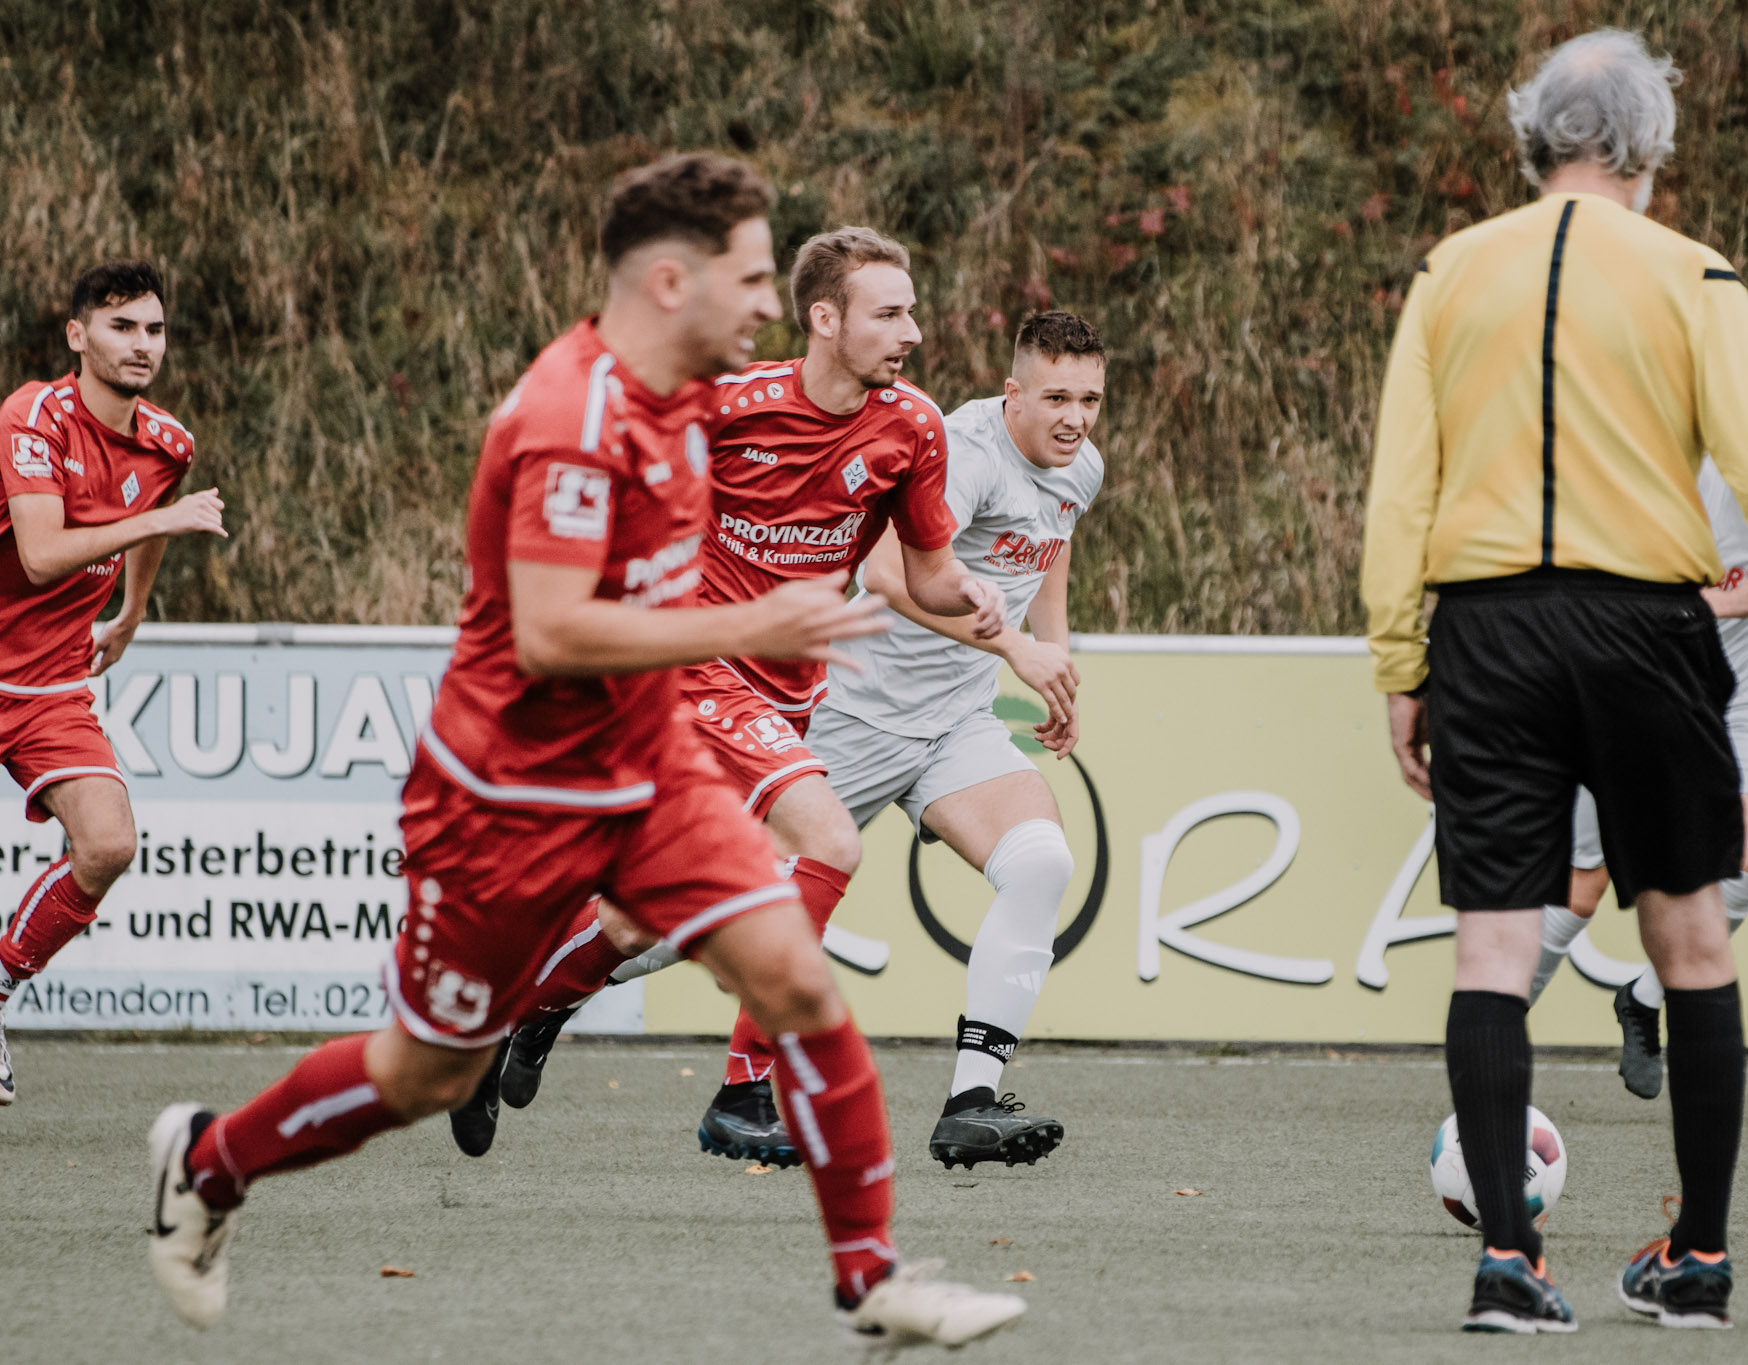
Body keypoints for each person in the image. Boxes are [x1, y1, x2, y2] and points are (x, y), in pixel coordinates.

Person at [145, 153, 1026, 1347]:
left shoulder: (691, 399)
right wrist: (756, 625)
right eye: (749, 280)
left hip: (650, 757)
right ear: (670, 282)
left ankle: (868, 1281)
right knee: (423, 1075)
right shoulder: (573, 416)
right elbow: (553, 633)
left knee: (796, 977)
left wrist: (980, 617)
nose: (768, 305)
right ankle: (207, 1163)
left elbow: (889, 557)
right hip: (504, 793)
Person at [1362, 31, 1748, 1335]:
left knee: (1492, 949)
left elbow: (1399, 493)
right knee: (1693, 939)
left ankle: (1507, 1264)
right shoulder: (1695, 274)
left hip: (1488, 630)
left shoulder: (1449, 271)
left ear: (1530, 139)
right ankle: (1697, 1260)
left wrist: (1400, 661)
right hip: (1647, 631)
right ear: (1648, 150)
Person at [458, 228, 1003, 1167]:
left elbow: (929, 571)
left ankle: (521, 1012)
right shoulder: (729, 404)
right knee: (830, 840)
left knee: (641, 916)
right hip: (692, 668)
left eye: (912, 311)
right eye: (889, 313)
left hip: (789, 693)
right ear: (825, 319)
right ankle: (743, 1092)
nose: (913, 331)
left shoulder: (912, 426)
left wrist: (974, 596)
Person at [807, 309, 1105, 1169]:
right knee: (699, 912)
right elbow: (884, 572)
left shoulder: (1079, 463)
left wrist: (1055, 662)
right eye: (1056, 397)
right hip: (854, 713)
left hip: (953, 725)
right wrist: (1013, 647)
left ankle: (971, 1102)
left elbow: (1051, 545)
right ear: (1013, 393)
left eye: (1089, 399)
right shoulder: (964, 453)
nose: (1075, 418)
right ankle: (542, 1002)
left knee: (1041, 862)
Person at [1531, 373, 1748, 1103]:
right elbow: (1620, 599)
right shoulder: (1688, 468)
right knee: (1583, 889)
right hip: (1629, 686)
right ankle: (1491, 1035)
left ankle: (1642, 998)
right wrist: (1722, 602)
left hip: (1726, 697)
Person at [0, 262, 227, 1104]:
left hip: (49, 687)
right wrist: (159, 518)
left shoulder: (168, 443)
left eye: (154, 329)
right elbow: (40, 553)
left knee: (108, 844)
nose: (142, 345)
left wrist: (131, 611)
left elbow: (151, 516)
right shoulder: (34, 417)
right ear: (78, 335)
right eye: (121, 326)